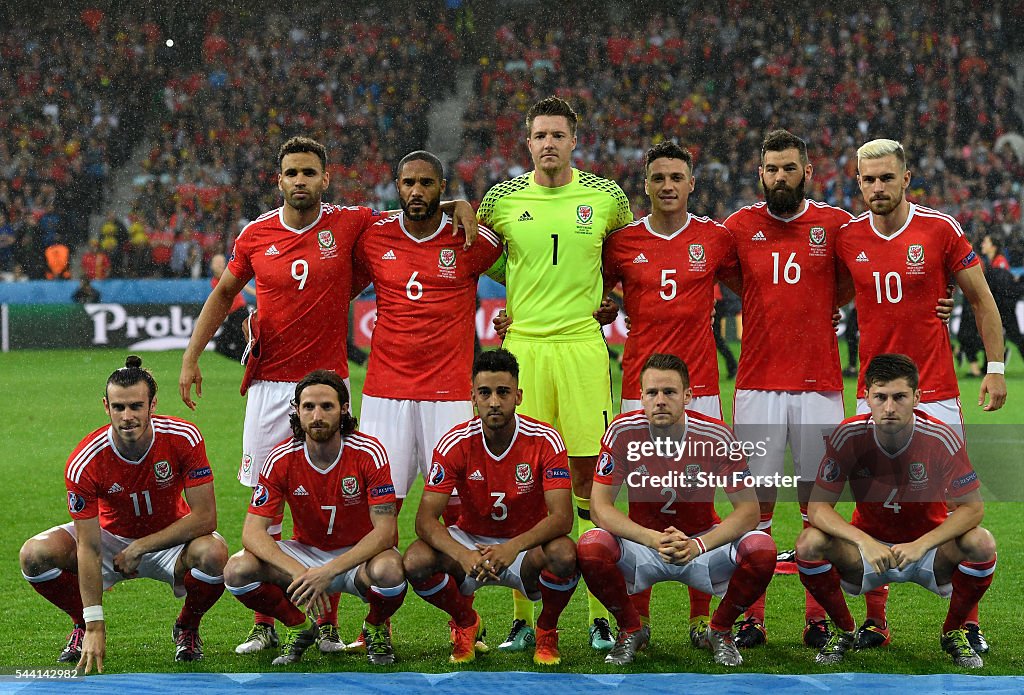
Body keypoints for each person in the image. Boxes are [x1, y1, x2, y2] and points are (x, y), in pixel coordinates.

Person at [179, 136, 476, 653]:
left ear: (325, 178)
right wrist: (190, 357)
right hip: (270, 388)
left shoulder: (349, 222)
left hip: (325, 386)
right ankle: (269, 624)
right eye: (291, 172)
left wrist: (457, 203)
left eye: (309, 172)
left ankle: (335, 622)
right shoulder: (255, 234)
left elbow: (412, 206)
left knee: (332, 498)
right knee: (266, 508)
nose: (300, 181)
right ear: (279, 180)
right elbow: (224, 292)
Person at [835, 139, 1006, 651]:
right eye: (869, 179)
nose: (878, 188)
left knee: (957, 503)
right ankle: (875, 620)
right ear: (858, 182)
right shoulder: (848, 238)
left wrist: (994, 369)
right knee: (873, 503)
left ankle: (964, 622)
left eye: (887, 177)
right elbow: (837, 294)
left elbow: (981, 300)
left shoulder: (939, 229)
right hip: (876, 396)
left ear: (906, 178)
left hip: (934, 391)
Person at [477, 96, 632, 650]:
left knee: (591, 480)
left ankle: (597, 613)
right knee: (525, 486)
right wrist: (518, 290)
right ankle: (524, 615)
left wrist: (609, 295)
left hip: (582, 348)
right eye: (539, 135)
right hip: (525, 349)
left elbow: (624, 255)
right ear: (528, 142)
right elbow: (490, 258)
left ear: (574, 140)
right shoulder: (501, 199)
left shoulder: (606, 196)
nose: (548, 144)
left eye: (558, 135)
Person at [722, 129, 853, 649]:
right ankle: (752, 617)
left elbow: (855, 277)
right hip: (756, 384)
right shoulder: (739, 226)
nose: (780, 177)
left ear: (808, 172)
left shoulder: (836, 224)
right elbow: (734, 279)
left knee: (816, 507)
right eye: (772, 169)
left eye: (789, 168)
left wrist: (825, 301)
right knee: (755, 508)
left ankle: (816, 617)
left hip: (820, 384)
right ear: (760, 174)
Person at [601, 141, 739, 634]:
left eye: (676, 177)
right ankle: (639, 618)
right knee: (643, 494)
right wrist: (605, 306)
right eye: (658, 178)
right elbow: (592, 288)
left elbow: (758, 286)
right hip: (642, 387)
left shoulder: (716, 239)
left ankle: (702, 616)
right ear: (646, 184)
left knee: (698, 497)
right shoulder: (621, 243)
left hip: (699, 385)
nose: (667, 186)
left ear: (691, 183)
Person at [19, 356, 227, 672]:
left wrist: (141, 547)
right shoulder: (85, 461)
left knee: (214, 554)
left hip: (170, 538)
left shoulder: (184, 437)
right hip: (109, 538)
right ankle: (80, 625)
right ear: (106, 407)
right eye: (118, 407)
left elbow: (205, 518)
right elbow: (88, 545)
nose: (127, 416)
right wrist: (94, 624)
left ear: (152, 404)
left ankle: (187, 626)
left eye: (135, 406)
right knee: (34, 555)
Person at [796, 354, 996, 669]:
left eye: (899, 397)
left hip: (928, 553)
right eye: (881, 397)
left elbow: (973, 508)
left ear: (916, 398)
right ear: (866, 397)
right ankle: (846, 630)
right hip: (867, 555)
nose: (889, 407)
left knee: (981, 543)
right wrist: (863, 541)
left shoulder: (940, 437)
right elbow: (818, 508)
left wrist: (923, 543)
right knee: (809, 543)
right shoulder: (848, 435)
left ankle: (953, 631)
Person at [578, 353, 776, 667]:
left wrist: (699, 545)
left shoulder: (716, 435)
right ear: (640, 396)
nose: (659, 400)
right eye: (651, 393)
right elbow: (600, 508)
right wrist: (650, 539)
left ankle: (720, 630)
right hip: (644, 547)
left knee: (761, 549)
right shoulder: (621, 432)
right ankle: (631, 629)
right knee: (590, 546)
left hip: (700, 546)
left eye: (669, 392)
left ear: (687, 396)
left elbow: (749, 511)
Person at [403, 349, 580, 666]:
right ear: (473, 397)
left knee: (565, 554)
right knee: (416, 560)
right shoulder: (454, 442)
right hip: (470, 543)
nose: (494, 401)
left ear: (519, 396)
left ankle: (546, 629)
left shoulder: (545, 439)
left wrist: (512, 548)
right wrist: (463, 554)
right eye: (485, 393)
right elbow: (425, 521)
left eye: (503, 392)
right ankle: (466, 621)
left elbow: (563, 517)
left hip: (525, 550)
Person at [223, 370, 404, 666]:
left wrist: (329, 571)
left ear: (344, 408)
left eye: (327, 406)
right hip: (305, 554)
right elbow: (252, 533)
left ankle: (374, 626)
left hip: (355, 557)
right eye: (308, 407)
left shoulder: (369, 452)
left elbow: (385, 532)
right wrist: (299, 571)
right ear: (296, 411)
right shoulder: (281, 457)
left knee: (391, 570)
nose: (317, 415)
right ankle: (298, 627)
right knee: (237, 569)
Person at [355, 150, 502, 512]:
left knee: (457, 507)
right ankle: (381, 569)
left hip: (449, 394)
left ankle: (452, 569)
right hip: (384, 393)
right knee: (380, 507)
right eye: (408, 183)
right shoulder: (373, 236)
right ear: (397, 188)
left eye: (426, 183)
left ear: (442, 187)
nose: (416, 191)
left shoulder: (471, 238)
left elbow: (531, 267)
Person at [209, 252, 254, 362]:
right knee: (228, 346)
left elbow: (244, 285)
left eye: (221, 262)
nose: (219, 265)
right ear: (211, 265)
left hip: (239, 314)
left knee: (226, 345)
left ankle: (249, 363)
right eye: (217, 262)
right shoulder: (215, 281)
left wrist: (258, 294)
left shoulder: (228, 275)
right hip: (234, 316)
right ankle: (248, 362)